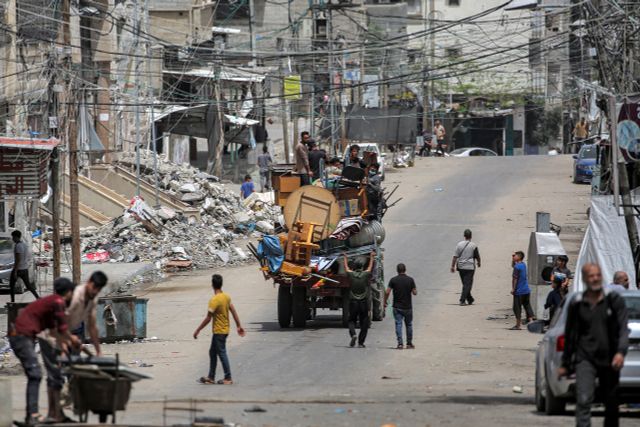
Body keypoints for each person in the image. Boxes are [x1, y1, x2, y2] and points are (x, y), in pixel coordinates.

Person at [559, 264, 629, 427]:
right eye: (591, 276)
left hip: (610, 359)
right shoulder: (577, 304)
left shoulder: (614, 301)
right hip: (585, 359)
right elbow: (571, 336)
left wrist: (620, 352)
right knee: (583, 399)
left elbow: (623, 329)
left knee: (611, 403)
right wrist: (566, 363)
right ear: (584, 279)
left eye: (597, 275)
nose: (595, 278)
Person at [9, 278, 79, 425]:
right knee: (35, 374)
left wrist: (64, 345)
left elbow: (54, 331)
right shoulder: (58, 302)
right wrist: (72, 339)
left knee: (45, 375)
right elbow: (62, 329)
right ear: (69, 292)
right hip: (21, 336)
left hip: (21, 336)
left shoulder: (51, 303)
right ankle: (32, 415)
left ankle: (51, 414)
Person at [193, 274, 245, 385]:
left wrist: (198, 330)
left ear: (212, 285)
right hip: (225, 330)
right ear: (221, 284)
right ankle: (211, 377)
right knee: (212, 352)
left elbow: (208, 318)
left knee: (221, 353)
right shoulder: (226, 297)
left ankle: (228, 377)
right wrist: (238, 325)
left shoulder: (214, 300)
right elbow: (233, 311)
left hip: (219, 331)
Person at [344, 252, 375, 348]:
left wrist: (345, 258)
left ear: (354, 267)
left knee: (351, 320)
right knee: (364, 323)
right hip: (363, 303)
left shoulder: (351, 275)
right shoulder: (365, 275)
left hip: (353, 303)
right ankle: (361, 343)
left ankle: (353, 334)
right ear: (362, 267)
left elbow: (346, 268)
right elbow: (370, 267)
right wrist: (371, 257)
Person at [384, 263, 417, 349]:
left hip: (397, 307)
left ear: (397, 270)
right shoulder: (410, 280)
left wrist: (384, 301)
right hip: (408, 307)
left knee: (398, 324)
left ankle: (400, 343)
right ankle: (409, 343)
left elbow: (387, 292)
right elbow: (415, 293)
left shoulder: (393, 280)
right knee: (409, 324)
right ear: (405, 270)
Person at [450, 229, 480, 306]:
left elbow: (455, 256)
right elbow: (477, 256)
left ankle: (470, 299)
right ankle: (462, 300)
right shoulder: (473, 245)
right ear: (471, 236)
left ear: (464, 236)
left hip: (461, 267)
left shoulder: (459, 244)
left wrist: (452, 266)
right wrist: (479, 262)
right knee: (467, 284)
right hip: (470, 267)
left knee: (465, 284)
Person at [10, 230, 39, 302]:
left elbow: (18, 260)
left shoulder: (18, 246)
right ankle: (38, 298)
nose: (12, 239)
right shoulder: (24, 245)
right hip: (25, 269)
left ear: (16, 237)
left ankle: (12, 301)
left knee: (11, 285)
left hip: (19, 269)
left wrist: (15, 271)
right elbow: (28, 256)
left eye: (13, 237)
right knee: (28, 286)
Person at [511, 251, 535, 330]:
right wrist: (513, 259)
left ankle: (518, 325)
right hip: (526, 290)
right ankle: (531, 322)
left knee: (517, 308)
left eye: (515, 256)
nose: (514, 256)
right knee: (527, 306)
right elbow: (513, 265)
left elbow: (515, 279)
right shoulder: (523, 265)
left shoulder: (517, 267)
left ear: (519, 257)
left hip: (519, 291)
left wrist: (513, 289)